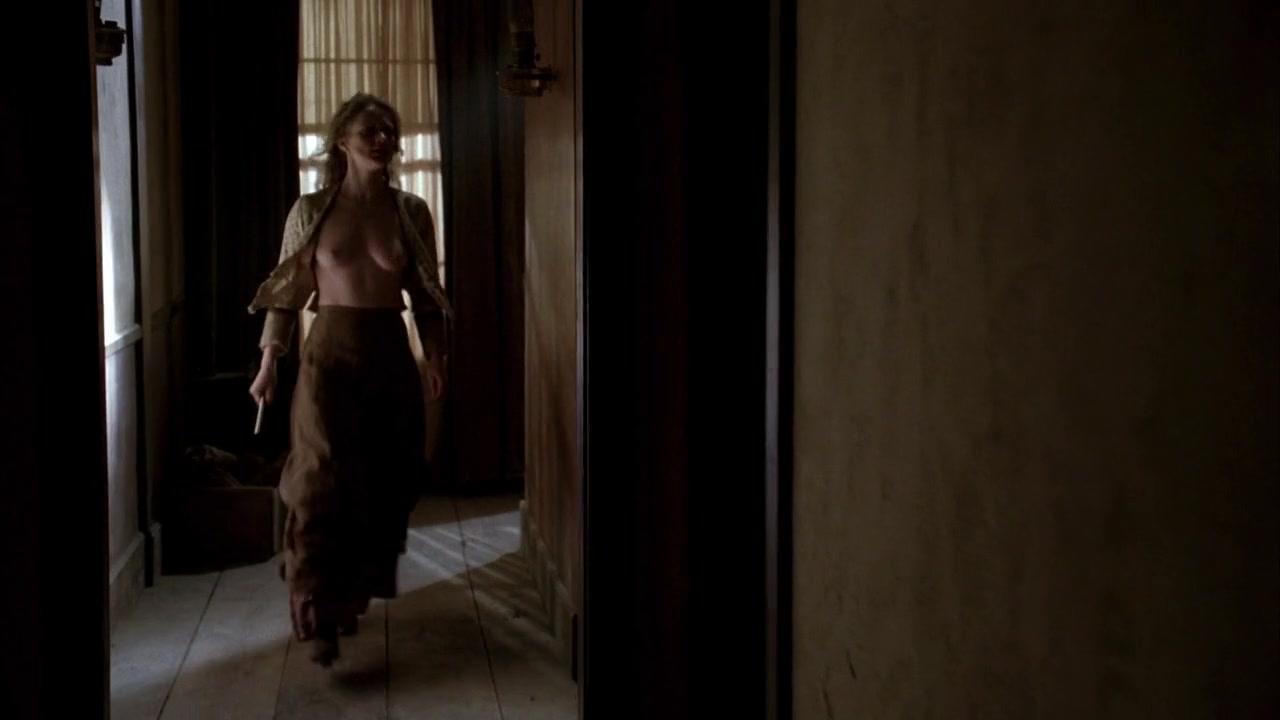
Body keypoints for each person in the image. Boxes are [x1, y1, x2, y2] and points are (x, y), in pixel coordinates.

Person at [246, 93, 452, 667]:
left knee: (383, 481)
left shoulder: (410, 211)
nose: (382, 139)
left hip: (389, 354)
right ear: (342, 140)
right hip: (328, 358)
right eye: (370, 130)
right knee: (318, 481)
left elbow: (427, 296)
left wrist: (436, 357)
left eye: (389, 130)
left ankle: (349, 595)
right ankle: (314, 606)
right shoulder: (311, 210)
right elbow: (286, 292)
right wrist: (268, 361)